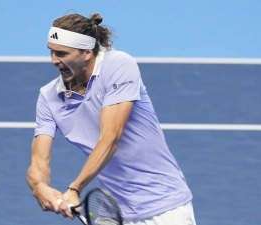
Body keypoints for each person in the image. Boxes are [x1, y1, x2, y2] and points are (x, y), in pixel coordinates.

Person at [26, 12, 196, 225]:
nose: (53, 61)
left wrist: (75, 188)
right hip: (112, 210)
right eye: (51, 52)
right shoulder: (48, 97)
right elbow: (39, 162)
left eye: (62, 53)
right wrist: (39, 186)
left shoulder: (118, 66)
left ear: (87, 52)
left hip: (163, 207)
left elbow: (111, 136)